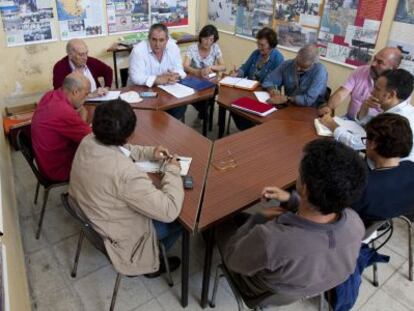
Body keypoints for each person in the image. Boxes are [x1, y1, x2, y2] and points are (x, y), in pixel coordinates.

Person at [216, 139, 366, 305]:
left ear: (305, 188)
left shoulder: (271, 239)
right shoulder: (355, 222)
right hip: (301, 286)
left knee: (219, 221)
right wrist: (292, 200)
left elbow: (233, 261)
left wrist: (257, 220)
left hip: (259, 288)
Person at [68, 100, 184, 277]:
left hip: (91, 213)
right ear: (129, 134)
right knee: (181, 222)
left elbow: (120, 148)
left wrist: (148, 152)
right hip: (117, 233)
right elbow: (169, 210)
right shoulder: (125, 173)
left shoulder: (89, 139)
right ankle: (155, 259)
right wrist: (172, 170)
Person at [319, 69, 414, 162]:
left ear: (390, 95)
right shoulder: (401, 109)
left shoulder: (397, 121)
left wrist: (331, 124)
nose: (372, 92)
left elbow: (355, 142)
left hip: (384, 172)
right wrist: (364, 108)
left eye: (377, 89)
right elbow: (371, 127)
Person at [352, 113, 414, 225]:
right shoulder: (411, 167)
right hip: (376, 226)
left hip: (351, 231)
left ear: (373, 144)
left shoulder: (362, 187)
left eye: (366, 139)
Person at [31, 72, 92, 182]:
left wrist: (80, 119)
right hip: (57, 169)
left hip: (45, 160)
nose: (86, 98)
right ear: (75, 92)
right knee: (103, 157)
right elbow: (91, 138)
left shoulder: (50, 95)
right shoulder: (64, 112)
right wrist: (84, 116)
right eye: (86, 94)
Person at [319, 47, 402, 119]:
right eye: (374, 59)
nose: (373, 64)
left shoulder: (399, 87)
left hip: (372, 130)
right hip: (348, 120)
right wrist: (329, 108)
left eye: (380, 62)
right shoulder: (361, 71)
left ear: (393, 68)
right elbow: (341, 93)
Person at [128, 23, 187, 120]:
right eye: (154, 40)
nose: (157, 44)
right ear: (148, 38)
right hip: (141, 91)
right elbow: (136, 77)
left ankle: (169, 130)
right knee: (147, 117)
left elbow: (180, 70)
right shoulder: (138, 50)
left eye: (161, 40)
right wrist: (157, 79)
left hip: (165, 90)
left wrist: (175, 75)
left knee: (180, 105)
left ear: (167, 40)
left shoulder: (173, 47)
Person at [231, 27, 284, 130]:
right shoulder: (256, 53)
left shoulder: (278, 58)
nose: (259, 48)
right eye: (258, 44)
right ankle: (247, 130)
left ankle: (250, 131)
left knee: (247, 111)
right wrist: (237, 73)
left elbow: (276, 83)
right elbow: (244, 68)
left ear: (271, 45)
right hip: (249, 91)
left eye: (262, 45)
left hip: (263, 95)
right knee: (233, 105)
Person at [183, 24, 225, 125]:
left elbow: (223, 66)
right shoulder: (192, 48)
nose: (208, 42)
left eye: (211, 40)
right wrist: (197, 72)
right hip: (194, 80)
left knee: (212, 94)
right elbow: (185, 66)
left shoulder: (215, 48)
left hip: (209, 81)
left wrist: (211, 67)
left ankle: (203, 113)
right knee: (196, 99)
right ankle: (204, 113)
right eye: (205, 38)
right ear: (201, 37)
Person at [262, 44, 328, 107]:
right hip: (289, 106)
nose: (298, 68)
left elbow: (308, 100)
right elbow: (268, 80)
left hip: (310, 110)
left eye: (303, 67)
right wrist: (272, 89)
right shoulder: (288, 64)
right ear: (297, 55)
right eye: (297, 63)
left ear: (313, 64)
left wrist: (287, 98)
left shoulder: (320, 72)